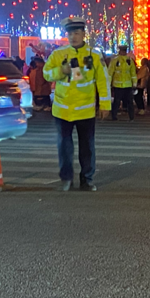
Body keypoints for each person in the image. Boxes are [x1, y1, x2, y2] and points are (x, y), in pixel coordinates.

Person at [42, 17, 111, 191]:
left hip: (85, 110)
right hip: (62, 110)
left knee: (87, 148)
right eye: (70, 33)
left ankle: (87, 179)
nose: (73, 37)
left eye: (77, 33)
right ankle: (66, 178)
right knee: (64, 148)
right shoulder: (58, 54)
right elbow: (46, 74)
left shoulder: (93, 55)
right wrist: (61, 71)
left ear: (83, 34)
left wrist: (105, 105)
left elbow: (102, 81)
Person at [108, 45, 137, 121]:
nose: (123, 52)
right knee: (118, 102)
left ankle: (131, 117)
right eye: (122, 51)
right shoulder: (117, 60)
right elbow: (110, 73)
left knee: (127, 102)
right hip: (120, 85)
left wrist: (134, 84)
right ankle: (115, 116)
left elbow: (133, 74)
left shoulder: (128, 61)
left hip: (124, 85)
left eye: (124, 51)